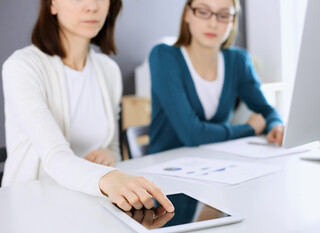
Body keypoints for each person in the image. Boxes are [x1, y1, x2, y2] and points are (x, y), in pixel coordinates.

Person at [1, 0, 174, 213]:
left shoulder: (108, 70)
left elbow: (112, 149)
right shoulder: (22, 67)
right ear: (52, 5)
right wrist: (109, 177)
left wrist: (109, 157)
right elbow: (55, 156)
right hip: (31, 206)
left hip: (89, 203)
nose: (92, 6)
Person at [149, 0, 285, 154]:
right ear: (188, 14)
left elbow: (266, 111)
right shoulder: (164, 57)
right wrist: (249, 129)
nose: (213, 23)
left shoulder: (238, 61)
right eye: (203, 12)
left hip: (218, 165)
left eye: (223, 15)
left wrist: (276, 125)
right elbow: (191, 134)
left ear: (232, 21)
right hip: (165, 167)